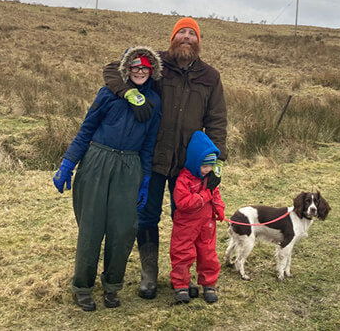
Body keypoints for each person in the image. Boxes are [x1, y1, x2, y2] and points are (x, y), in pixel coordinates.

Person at [103, 17, 227, 299]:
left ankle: (181, 276)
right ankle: (149, 274)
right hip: (152, 159)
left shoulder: (210, 77)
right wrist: (129, 93)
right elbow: (112, 69)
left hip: (190, 166)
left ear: (198, 41)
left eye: (192, 33)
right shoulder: (155, 63)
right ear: (173, 38)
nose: (186, 37)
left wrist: (218, 161)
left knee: (187, 220)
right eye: (181, 32)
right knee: (147, 215)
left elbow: (217, 121)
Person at [53, 46, 162, 312]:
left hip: (130, 166)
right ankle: (82, 287)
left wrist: (145, 178)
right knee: (91, 228)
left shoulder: (154, 102)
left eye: (145, 68)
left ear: (152, 71)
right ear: (127, 68)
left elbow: (149, 143)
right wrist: (68, 163)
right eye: (135, 67)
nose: (139, 71)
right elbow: (86, 129)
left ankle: (112, 287)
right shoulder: (108, 94)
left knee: (122, 230)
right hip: (97, 161)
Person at [170, 130, 225, 304]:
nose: (208, 170)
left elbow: (216, 194)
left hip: (206, 224)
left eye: (210, 166)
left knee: (208, 254)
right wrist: (205, 195)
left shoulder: (210, 179)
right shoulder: (183, 180)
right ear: (194, 162)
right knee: (182, 253)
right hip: (186, 225)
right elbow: (183, 202)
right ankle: (181, 284)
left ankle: (209, 284)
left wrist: (219, 208)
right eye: (204, 166)